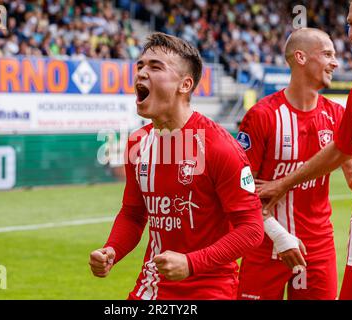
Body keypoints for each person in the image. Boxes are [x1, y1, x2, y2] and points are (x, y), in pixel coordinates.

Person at [89, 32, 264, 300]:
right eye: (141, 66)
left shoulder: (219, 146)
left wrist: (191, 263)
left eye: (155, 67)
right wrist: (112, 249)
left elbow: (251, 229)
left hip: (209, 290)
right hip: (151, 286)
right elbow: (134, 214)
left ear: (185, 84)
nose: (141, 73)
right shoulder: (138, 142)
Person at [257, 0, 352, 300]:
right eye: (350, 23)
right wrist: (282, 185)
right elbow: (341, 151)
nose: (351, 33)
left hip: (323, 247)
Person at [236, 28, 352, 300]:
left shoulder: (337, 115)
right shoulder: (262, 116)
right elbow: (241, 192)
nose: (335, 62)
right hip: (265, 246)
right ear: (300, 57)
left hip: (318, 249)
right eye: (327, 54)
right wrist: (279, 236)